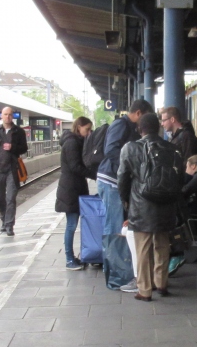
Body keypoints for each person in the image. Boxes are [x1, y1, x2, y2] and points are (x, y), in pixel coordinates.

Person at [117, 112, 183, 301]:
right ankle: (161, 283)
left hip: (141, 204)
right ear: (159, 127)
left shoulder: (130, 148)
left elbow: (122, 178)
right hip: (166, 204)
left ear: (140, 129)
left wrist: (126, 200)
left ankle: (145, 290)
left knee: (143, 248)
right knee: (162, 244)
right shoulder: (173, 148)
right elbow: (180, 178)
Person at [96, 99, 153, 289]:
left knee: (117, 226)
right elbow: (110, 150)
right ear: (138, 113)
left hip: (114, 181)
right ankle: (116, 276)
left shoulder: (128, 126)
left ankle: (116, 271)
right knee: (114, 227)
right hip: (111, 180)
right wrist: (130, 163)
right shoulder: (121, 125)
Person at [0, 106, 28, 236]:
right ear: (1, 116)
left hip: (12, 170)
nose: (7, 117)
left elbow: (24, 148)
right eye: (5, 114)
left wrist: (12, 147)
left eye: (10, 114)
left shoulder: (19, 131)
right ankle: (4, 220)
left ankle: (9, 225)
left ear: (12, 116)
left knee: (11, 198)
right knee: (0, 198)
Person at [55, 116, 92, 270]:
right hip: (70, 189)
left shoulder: (76, 141)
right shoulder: (71, 143)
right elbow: (75, 166)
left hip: (74, 188)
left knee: (73, 224)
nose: (89, 133)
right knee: (71, 225)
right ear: (79, 127)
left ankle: (73, 258)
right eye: (87, 129)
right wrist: (94, 174)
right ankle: (69, 259)